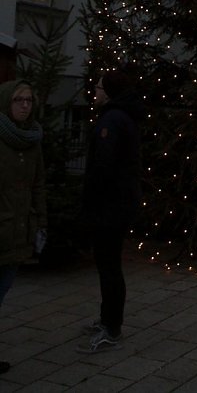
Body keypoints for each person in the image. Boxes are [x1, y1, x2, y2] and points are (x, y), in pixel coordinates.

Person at [78, 69, 144, 353]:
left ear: (109, 93)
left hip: (110, 206)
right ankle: (108, 319)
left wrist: (91, 201)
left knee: (109, 266)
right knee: (109, 265)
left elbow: (103, 167)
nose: (94, 91)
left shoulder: (112, 120)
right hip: (118, 204)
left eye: (99, 88)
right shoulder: (121, 116)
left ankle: (112, 327)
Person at [0, 79, 47, 375]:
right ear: (7, 102)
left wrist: (41, 222)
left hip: (19, 231)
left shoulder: (33, 139)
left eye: (29, 100)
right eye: (19, 100)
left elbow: (38, 184)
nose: (25, 105)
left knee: (2, 292)